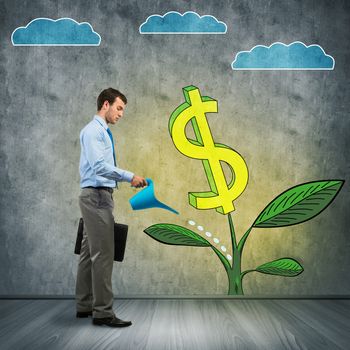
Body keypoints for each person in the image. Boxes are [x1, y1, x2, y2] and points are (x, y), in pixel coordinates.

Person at [75, 88, 147, 327]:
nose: (121, 114)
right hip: (97, 197)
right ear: (105, 104)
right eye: (119, 108)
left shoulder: (99, 132)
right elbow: (98, 166)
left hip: (95, 196)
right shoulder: (94, 131)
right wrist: (129, 176)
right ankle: (103, 312)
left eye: (122, 110)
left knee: (88, 253)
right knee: (103, 254)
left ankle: (84, 305)